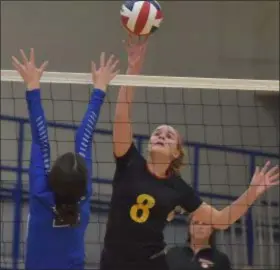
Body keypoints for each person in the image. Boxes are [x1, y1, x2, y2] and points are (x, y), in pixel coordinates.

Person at [99, 36, 279, 270]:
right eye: (157, 133)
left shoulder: (177, 187)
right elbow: (123, 114)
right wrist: (134, 68)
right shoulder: (129, 160)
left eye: (169, 135)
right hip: (112, 261)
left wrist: (252, 192)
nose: (161, 136)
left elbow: (222, 220)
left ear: (176, 153)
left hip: (150, 264)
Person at [12, 48, 119, 269]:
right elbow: (83, 137)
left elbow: (42, 140)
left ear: (52, 177)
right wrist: (99, 89)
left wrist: (33, 87)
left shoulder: (43, 193)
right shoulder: (81, 196)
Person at [166, 215, 231, 270]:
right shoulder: (173, 253)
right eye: (196, 223)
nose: (200, 227)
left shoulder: (221, 259)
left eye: (205, 224)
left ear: (211, 229)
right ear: (189, 227)